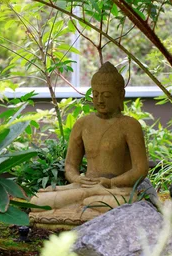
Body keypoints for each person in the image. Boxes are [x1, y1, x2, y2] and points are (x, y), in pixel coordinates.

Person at [30, 62, 149, 227]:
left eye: (107, 95)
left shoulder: (129, 125)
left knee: (125, 202)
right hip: (85, 186)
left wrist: (111, 183)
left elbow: (140, 169)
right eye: (95, 94)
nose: (100, 100)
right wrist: (77, 178)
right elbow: (70, 165)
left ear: (120, 95)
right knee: (36, 200)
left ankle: (75, 210)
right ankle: (86, 205)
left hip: (116, 190)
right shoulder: (83, 124)